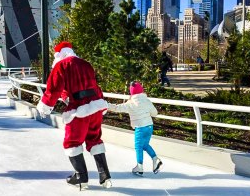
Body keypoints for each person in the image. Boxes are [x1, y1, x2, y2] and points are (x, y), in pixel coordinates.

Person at [36, 41, 111, 190]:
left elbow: (53, 89)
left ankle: (81, 177)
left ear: (59, 55)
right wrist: (101, 102)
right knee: (95, 139)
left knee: (72, 142)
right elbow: (95, 85)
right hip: (95, 106)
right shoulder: (85, 64)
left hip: (78, 110)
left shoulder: (61, 65)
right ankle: (104, 175)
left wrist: (45, 106)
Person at [108, 81, 163, 176]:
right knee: (145, 145)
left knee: (138, 146)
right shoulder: (147, 100)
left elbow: (117, 108)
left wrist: (107, 106)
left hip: (140, 127)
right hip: (149, 126)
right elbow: (155, 113)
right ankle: (155, 159)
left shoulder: (131, 103)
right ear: (141, 90)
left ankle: (140, 166)